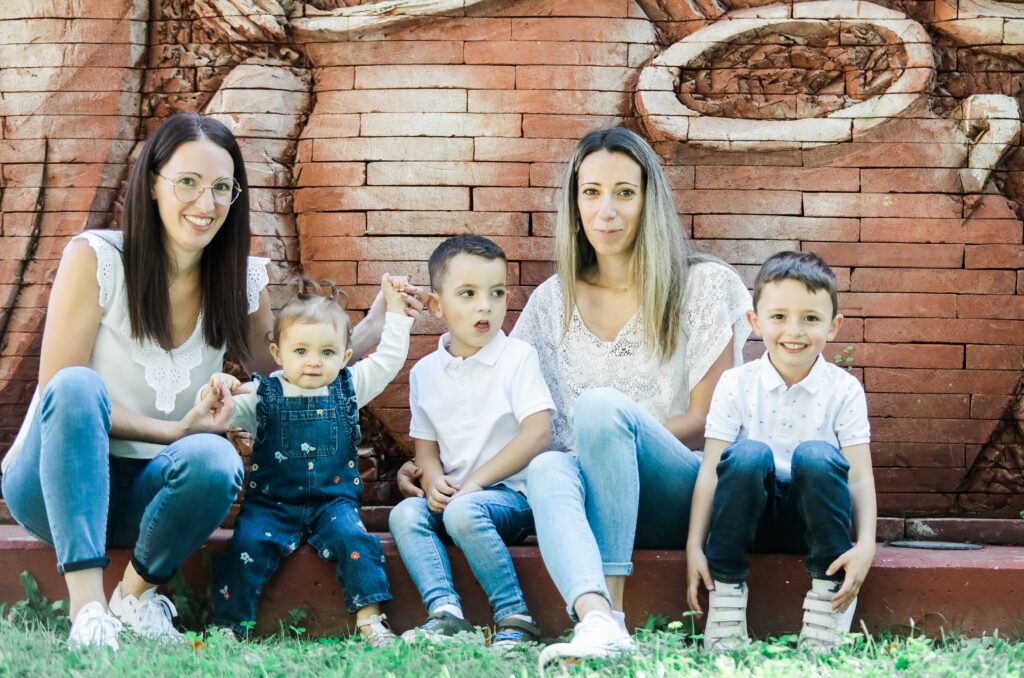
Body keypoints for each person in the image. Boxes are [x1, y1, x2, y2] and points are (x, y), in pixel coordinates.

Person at [0, 113, 421, 651]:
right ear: (153, 183)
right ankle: (88, 611)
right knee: (79, 386)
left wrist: (373, 326)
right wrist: (175, 432)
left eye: (222, 187)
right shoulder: (97, 258)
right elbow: (58, 393)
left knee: (216, 459)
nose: (206, 203)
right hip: (51, 486)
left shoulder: (240, 279)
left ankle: (133, 597)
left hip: (149, 501)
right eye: (189, 182)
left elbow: (291, 374)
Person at [397, 128, 752, 665]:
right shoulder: (550, 302)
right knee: (545, 471)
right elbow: (503, 406)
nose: (606, 210)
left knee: (598, 411)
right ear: (574, 202)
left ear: (648, 200)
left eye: (624, 193)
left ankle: (617, 608)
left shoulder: (703, 286)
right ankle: (596, 624)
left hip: (677, 489)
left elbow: (707, 420)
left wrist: (607, 439)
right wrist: (430, 463)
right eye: (591, 193)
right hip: (584, 498)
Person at [686, 251, 876, 653]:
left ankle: (828, 605)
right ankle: (727, 605)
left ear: (834, 325)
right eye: (778, 317)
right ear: (755, 322)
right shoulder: (736, 384)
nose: (794, 330)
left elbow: (859, 477)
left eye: (810, 318)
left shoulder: (844, 391)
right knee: (748, 454)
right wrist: (693, 546)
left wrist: (866, 545)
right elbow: (709, 472)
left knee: (818, 455)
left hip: (814, 529)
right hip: (748, 524)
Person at [207, 277, 412, 647]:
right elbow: (221, 412)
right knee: (246, 545)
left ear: (345, 357)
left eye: (327, 353)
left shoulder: (349, 386)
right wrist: (220, 388)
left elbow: (389, 360)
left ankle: (370, 621)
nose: (314, 362)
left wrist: (397, 312)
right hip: (271, 504)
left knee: (355, 540)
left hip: (332, 504)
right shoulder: (261, 394)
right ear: (278, 352)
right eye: (300, 351)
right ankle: (228, 625)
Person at [388, 235, 554, 652]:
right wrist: (433, 481)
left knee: (463, 509)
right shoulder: (425, 372)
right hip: (459, 496)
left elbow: (537, 432)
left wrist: (476, 483)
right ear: (436, 306)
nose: (485, 305)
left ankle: (515, 618)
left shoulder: (517, 357)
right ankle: (446, 614)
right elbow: (424, 447)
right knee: (406, 515)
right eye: (469, 294)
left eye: (496, 293)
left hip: (513, 498)